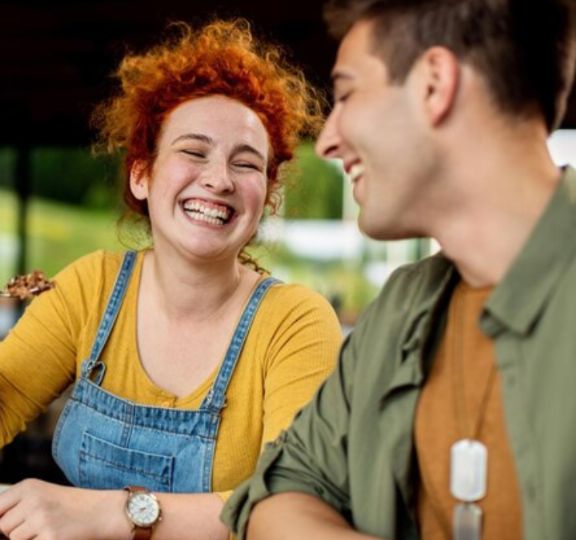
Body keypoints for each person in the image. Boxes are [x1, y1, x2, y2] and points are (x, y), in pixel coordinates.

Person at [0, 19, 342, 540]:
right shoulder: (91, 288)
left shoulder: (295, 321)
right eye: (193, 151)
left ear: (266, 197)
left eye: (247, 163)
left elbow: (295, 510)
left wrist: (117, 514)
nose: (219, 179)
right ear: (141, 175)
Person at [221, 1, 576, 539]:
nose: (326, 140)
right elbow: (279, 492)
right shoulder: (399, 309)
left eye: (345, 95)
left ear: (434, 84)